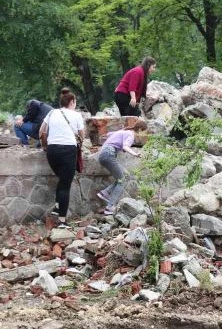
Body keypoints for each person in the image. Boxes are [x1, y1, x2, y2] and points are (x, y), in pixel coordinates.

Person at [40, 89, 86, 228]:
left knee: (62, 180)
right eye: (75, 102)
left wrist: (45, 146)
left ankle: (57, 208)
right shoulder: (76, 115)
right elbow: (82, 135)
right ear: (72, 102)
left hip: (52, 151)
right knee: (65, 185)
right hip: (68, 150)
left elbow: (42, 131)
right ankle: (62, 221)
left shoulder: (52, 112)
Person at [97, 119, 147, 215]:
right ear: (140, 129)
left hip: (103, 154)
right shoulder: (131, 134)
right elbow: (125, 146)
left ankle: (105, 193)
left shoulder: (124, 131)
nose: (142, 134)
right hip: (109, 154)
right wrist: (135, 154)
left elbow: (109, 135)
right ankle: (109, 207)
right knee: (122, 180)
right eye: (143, 131)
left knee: (120, 178)